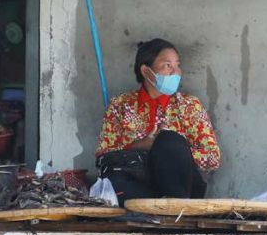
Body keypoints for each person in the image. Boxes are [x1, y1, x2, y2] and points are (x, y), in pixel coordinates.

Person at [95, 38, 221, 204]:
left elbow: (212, 158)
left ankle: (174, 207)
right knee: (114, 182)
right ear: (146, 72)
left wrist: (168, 151)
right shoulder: (120, 106)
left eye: (177, 65)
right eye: (168, 65)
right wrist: (139, 146)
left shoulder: (189, 106)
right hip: (136, 186)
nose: (176, 72)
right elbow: (103, 156)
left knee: (168, 140)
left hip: (180, 189)